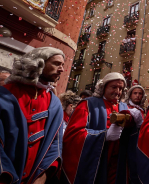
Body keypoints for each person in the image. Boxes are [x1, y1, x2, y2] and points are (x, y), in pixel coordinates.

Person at [0, 47, 64, 183]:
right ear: (38, 62)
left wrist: (41, 178)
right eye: (56, 63)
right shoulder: (5, 94)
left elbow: (55, 146)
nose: (62, 69)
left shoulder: (55, 103)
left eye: (63, 65)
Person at [62, 72, 131, 184]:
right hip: (96, 165)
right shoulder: (87, 104)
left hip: (118, 166)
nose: (118, 92)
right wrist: (104, 135)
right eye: (113, 87)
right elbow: (73, 135)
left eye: (120, 88)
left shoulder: (124, 107)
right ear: (103, 87)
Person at [117, 84, 146, 183]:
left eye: (140, 93)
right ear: (130, 95)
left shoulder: (143, 110)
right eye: (135, 93)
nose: (137, 95)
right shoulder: (124, 107)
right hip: (127, 143)